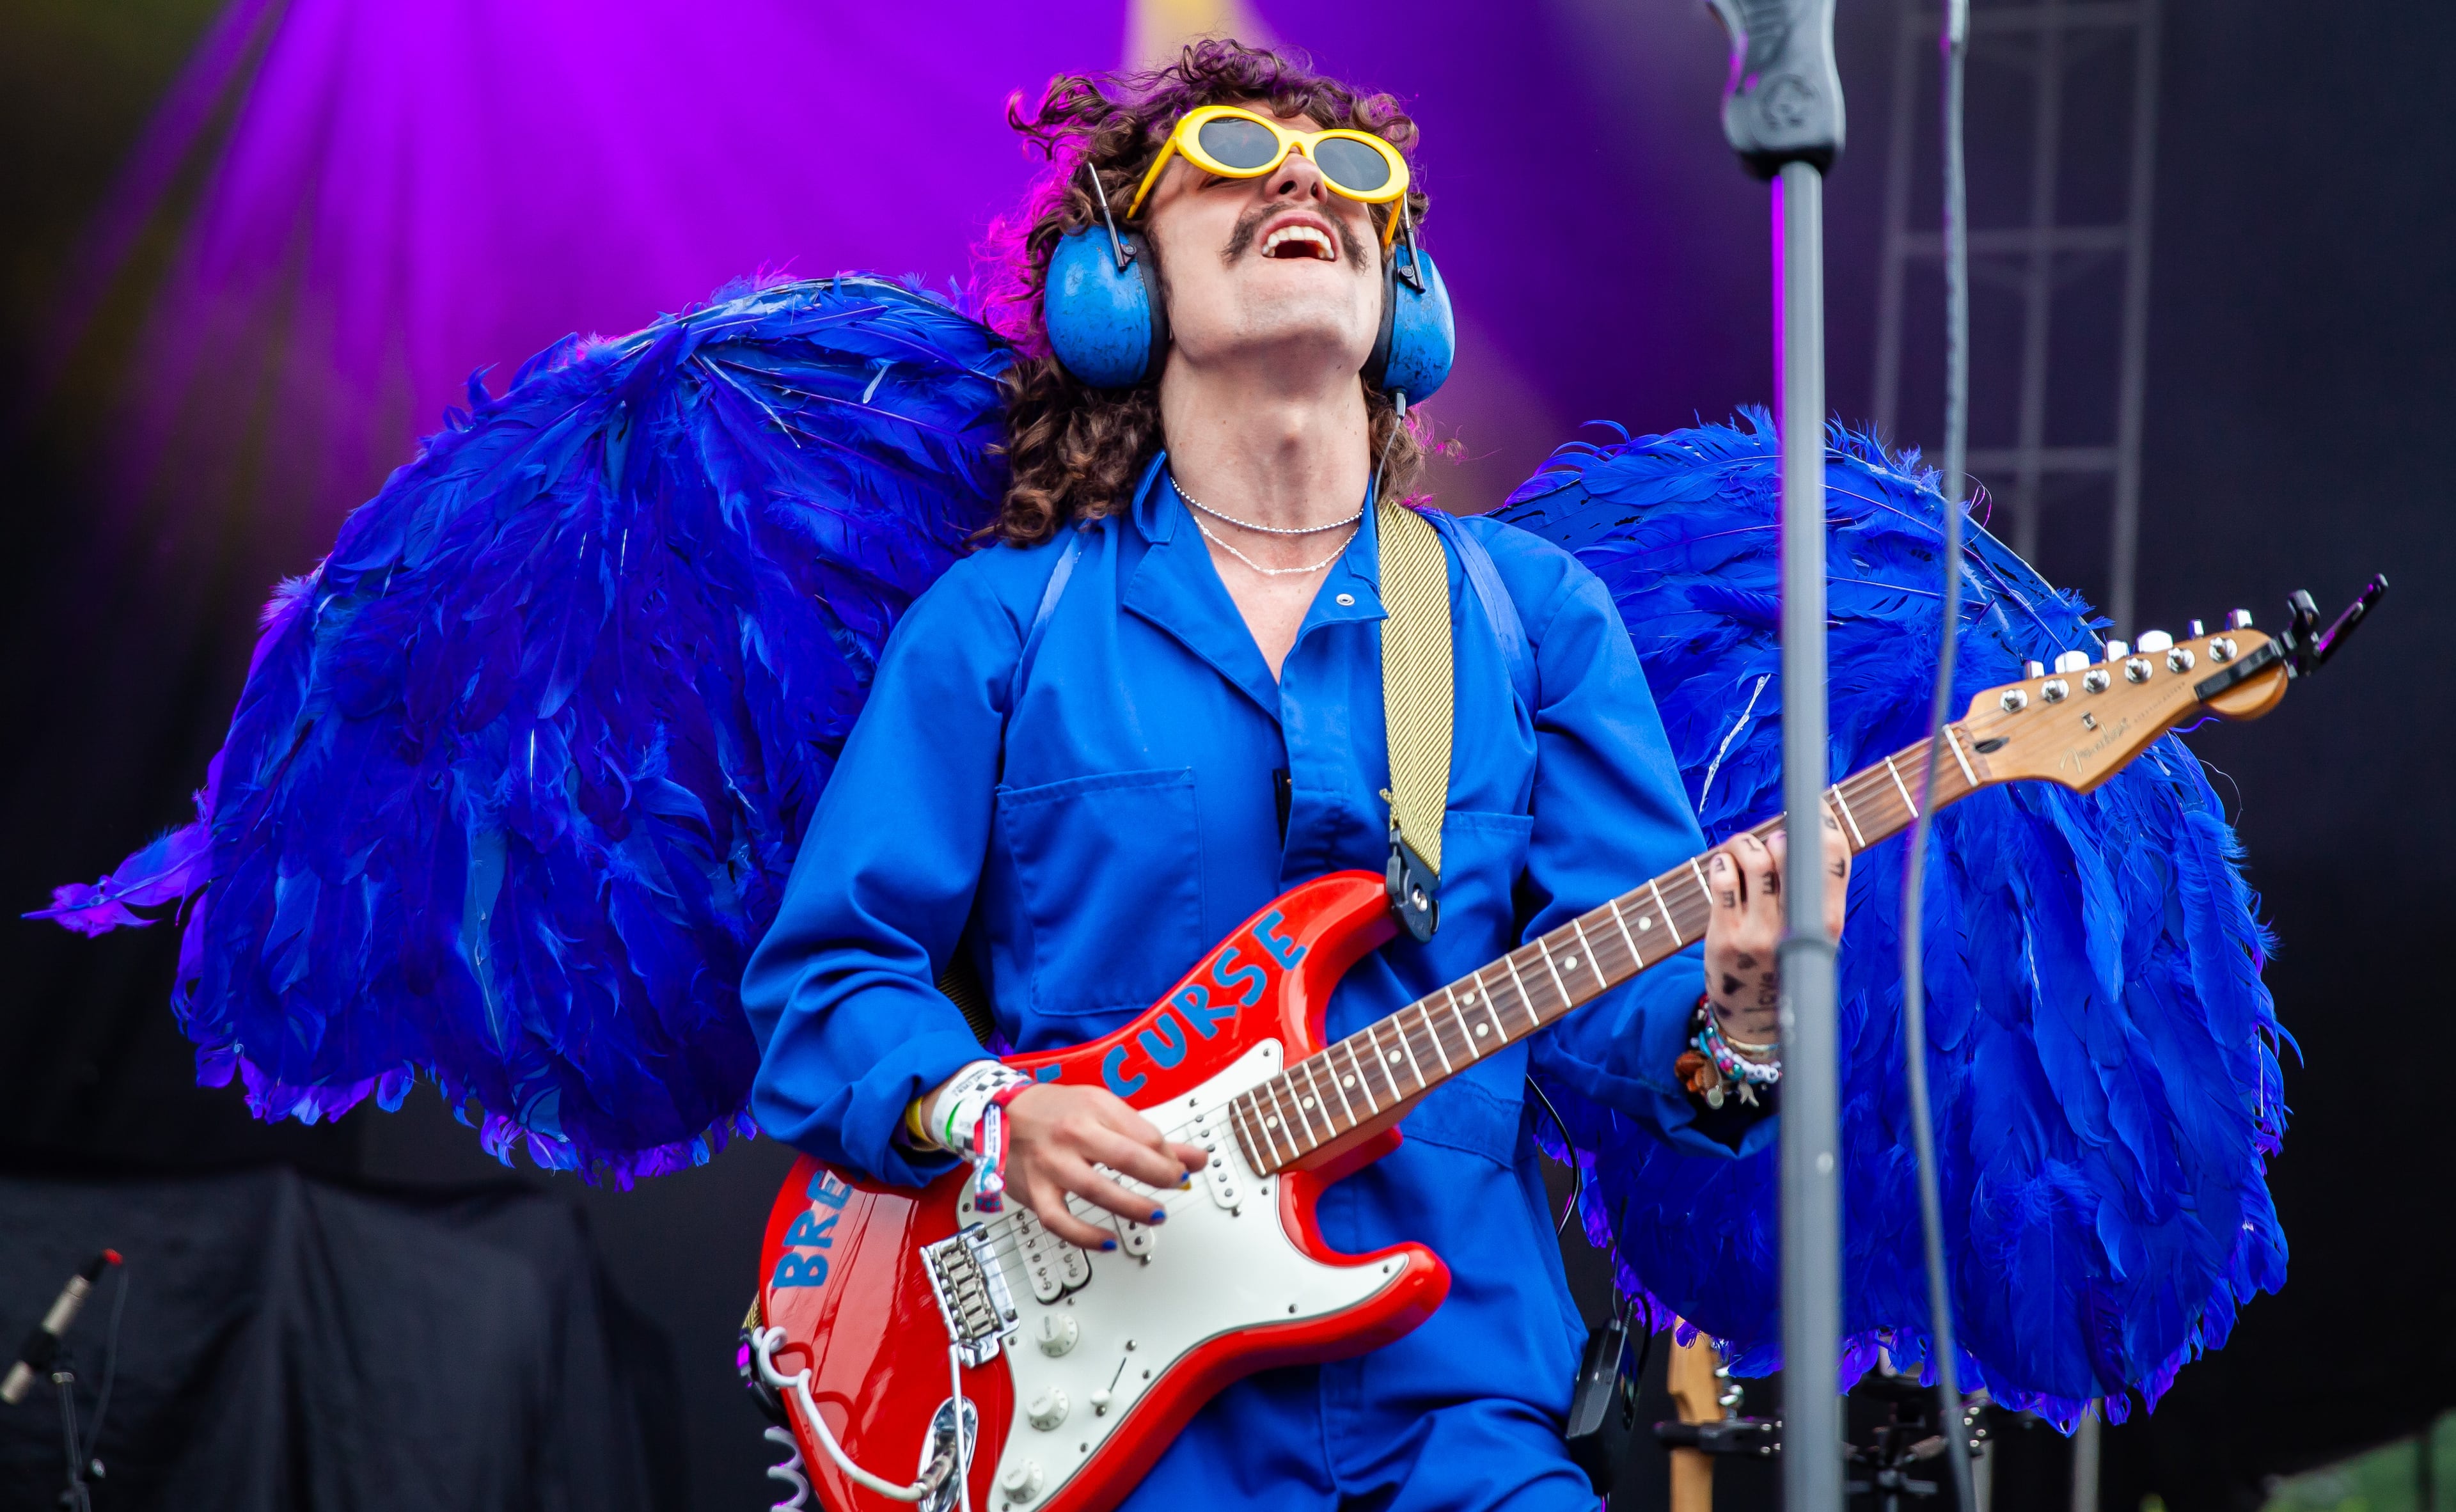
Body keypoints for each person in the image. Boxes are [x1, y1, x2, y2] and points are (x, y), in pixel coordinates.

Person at [739, 41, 1848, 1511]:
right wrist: (992, 1112)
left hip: (1460, 1404)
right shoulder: (1006, 627)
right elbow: (826, 988)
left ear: (1401, 297)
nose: (1303, 183)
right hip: (1100, 1429)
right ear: (1116, 287)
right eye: (1235, 163)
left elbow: (1620, 1034)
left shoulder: (1527, 617)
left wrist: (1743, 1016)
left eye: (1346, 178)